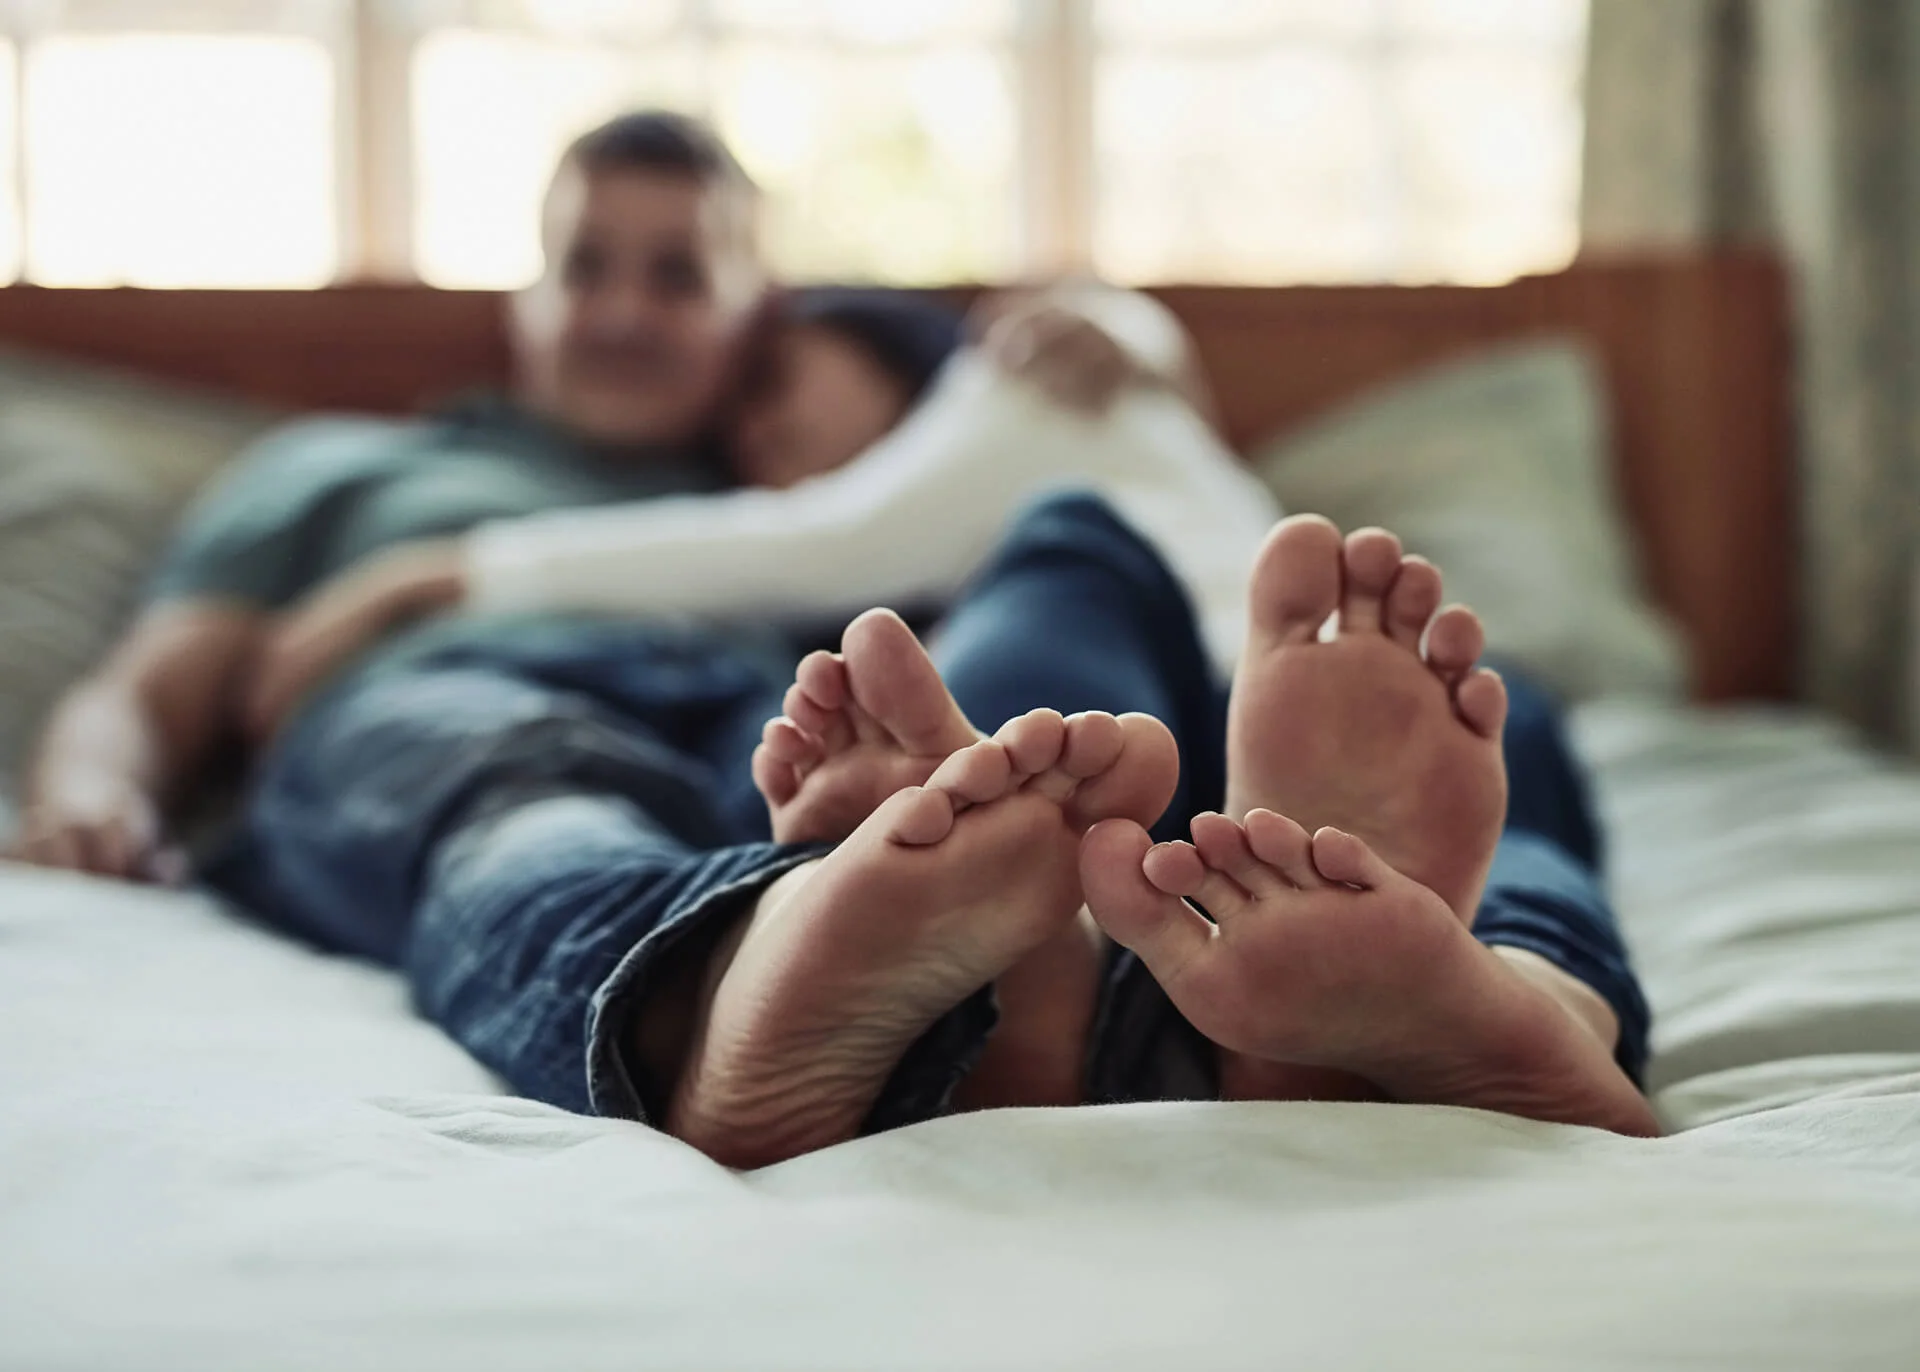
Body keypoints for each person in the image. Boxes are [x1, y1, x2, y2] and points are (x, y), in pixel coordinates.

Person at [12, 109, 1656, 1166]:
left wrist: (1128, 343)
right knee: (523, 794)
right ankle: (734, 998)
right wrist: (98, 792)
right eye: (586, 265)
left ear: (755, 315)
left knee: (1005, 694)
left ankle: (1282, 996)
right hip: (490, 700)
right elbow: (149, 689)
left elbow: (939, 496)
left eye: (680, 271)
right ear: (523, 299)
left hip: (767, 732)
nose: (627, 306)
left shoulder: (820, 513)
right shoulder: (359, 472)